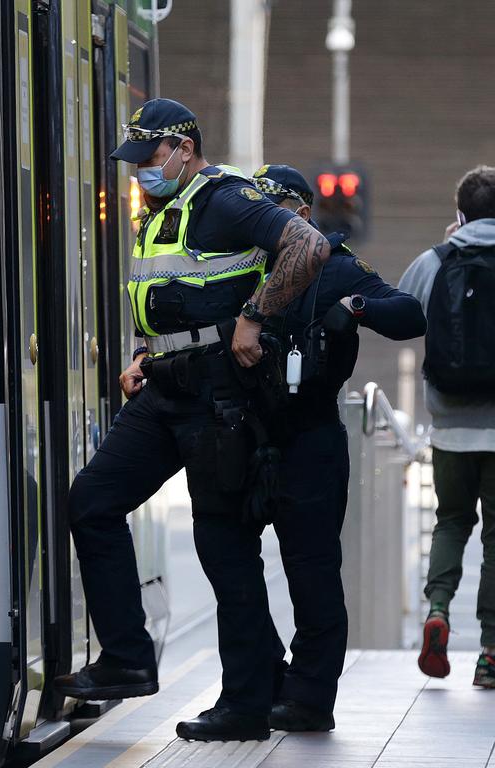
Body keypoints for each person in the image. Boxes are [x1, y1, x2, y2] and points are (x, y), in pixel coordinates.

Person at [52, 98, 334, 742]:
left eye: (150, 160)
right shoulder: (163, 211)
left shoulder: (226, 199)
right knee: (92, 501)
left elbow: (308, 245)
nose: (141, 174)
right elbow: (173, 295)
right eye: (136, 164)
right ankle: (126, 657)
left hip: (220, 392)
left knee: (223, 545)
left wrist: (254, 316)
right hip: (166, 384)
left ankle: (245, 705)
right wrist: (143, 355)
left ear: (184, 149)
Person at [249, 165, 426, 731]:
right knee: (230, 564)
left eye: (278, 212)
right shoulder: (236, 264)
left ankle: (308, 696)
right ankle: (262, 677)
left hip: (309, 436)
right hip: (242, 436)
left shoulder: (333, 264)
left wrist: (354, 309)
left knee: (312, 570)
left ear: (301, 215)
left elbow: (408, 314)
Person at [399, 165, 495, 689]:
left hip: (451, 427)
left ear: (460, 214)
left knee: (452, 521)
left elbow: (401, 316)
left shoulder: (437, 260)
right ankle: (491, 654)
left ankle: (438, 608)